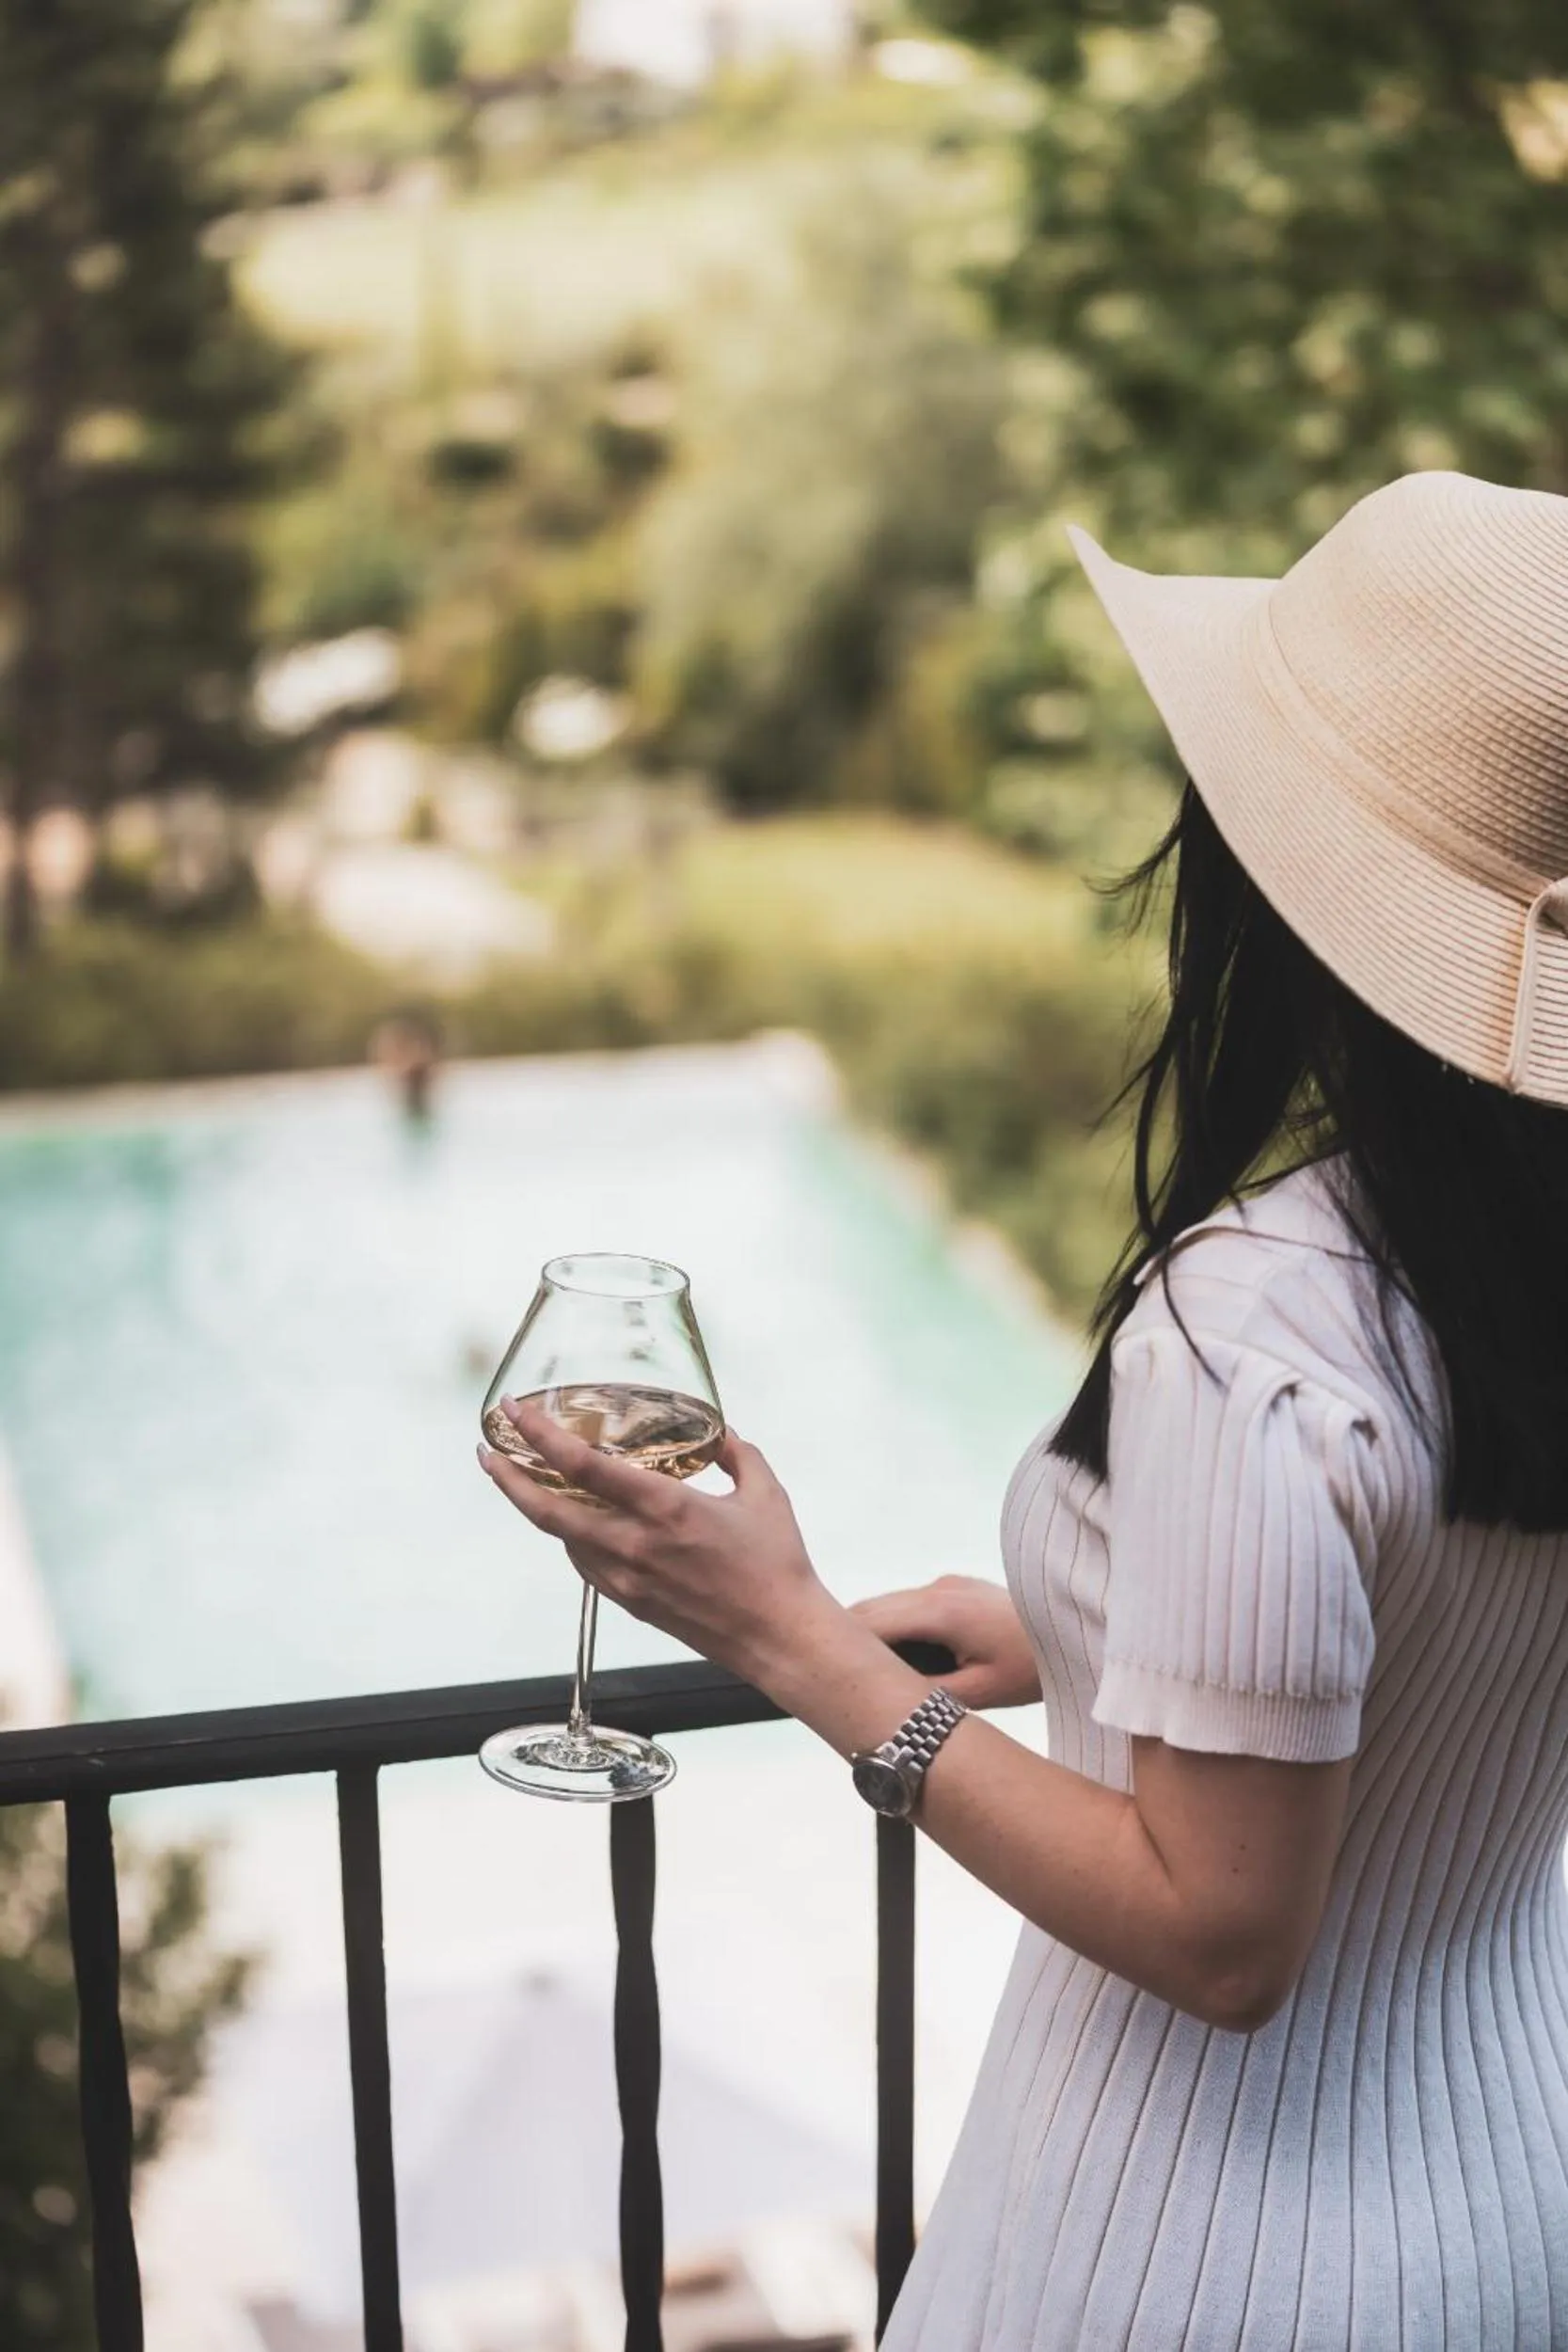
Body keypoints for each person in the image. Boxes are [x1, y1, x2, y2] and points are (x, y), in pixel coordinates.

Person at [477, 469, 1568, 2348]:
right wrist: (1085, 1631)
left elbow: (1219, 1934)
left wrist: (794, 1640)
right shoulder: (1500, 1256)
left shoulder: (1258, 1319)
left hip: (1189, 2259)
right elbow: (1458, 1647)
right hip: (1498, 2196)